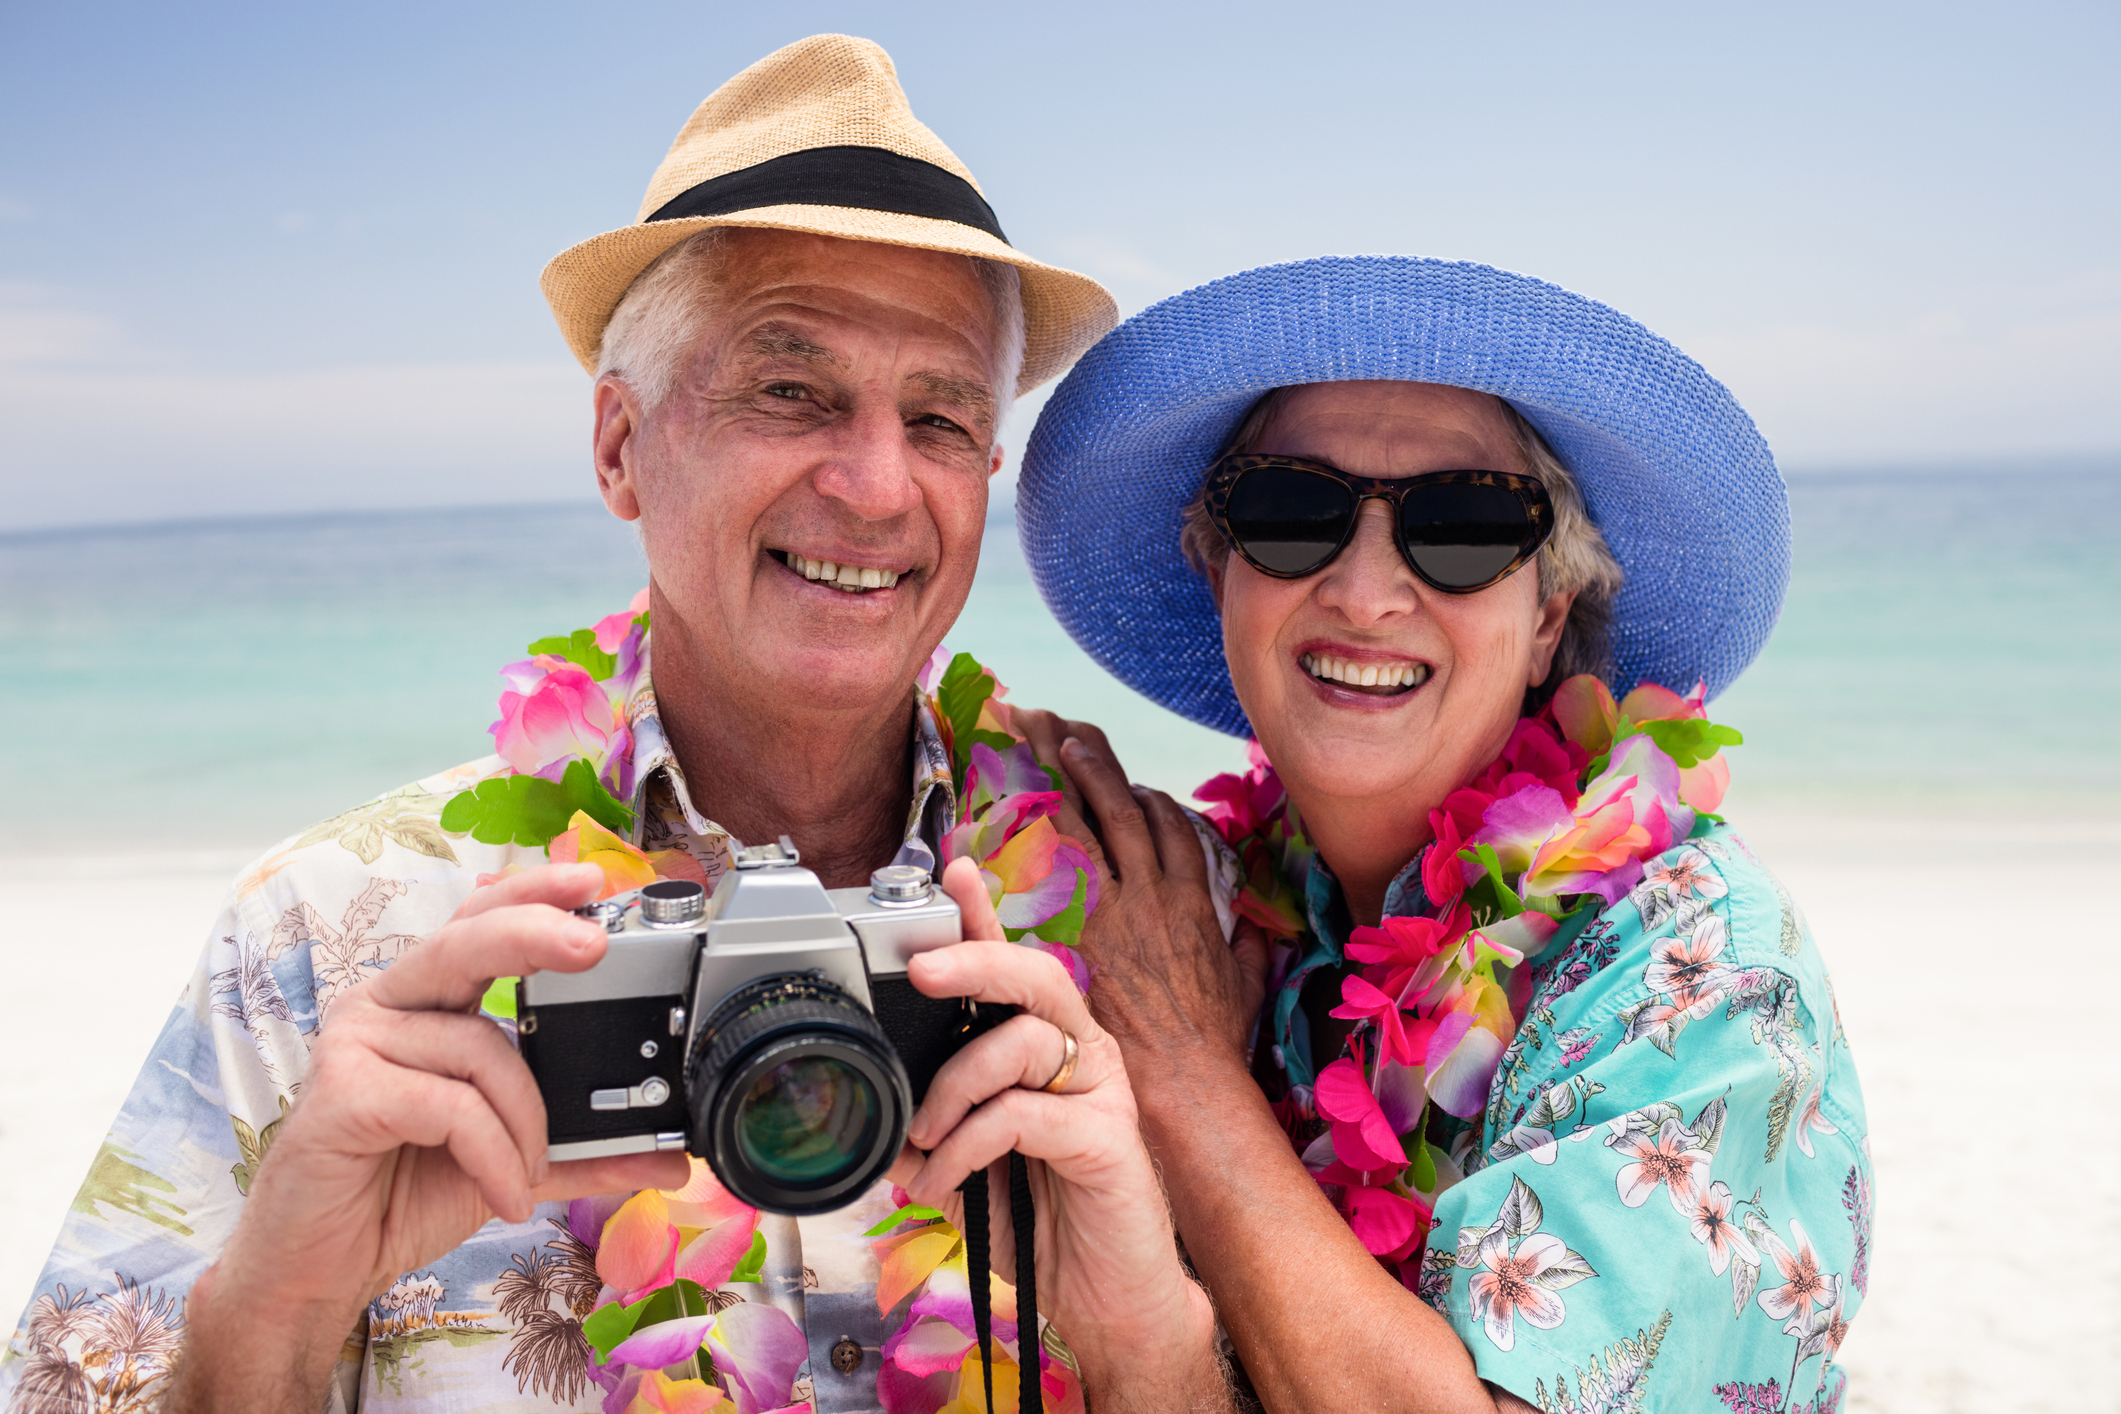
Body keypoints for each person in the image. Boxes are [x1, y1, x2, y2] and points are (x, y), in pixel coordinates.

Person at [1, 36, 1231, 1414]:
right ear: (617, 447)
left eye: (939, 415)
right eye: (789, 389)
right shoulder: (327, 938)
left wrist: (1149, 1350)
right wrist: (273, 1312)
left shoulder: (1154, 929)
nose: (880, 486)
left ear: (985, 472)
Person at [1010, 257, 1872, 1412]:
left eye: (1463, 526)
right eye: (1289, 511)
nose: (1365, 592)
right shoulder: (1231, 913)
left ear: (1547, 618)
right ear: (1220, 572)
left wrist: (1180, 1070)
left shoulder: (1702, 963)